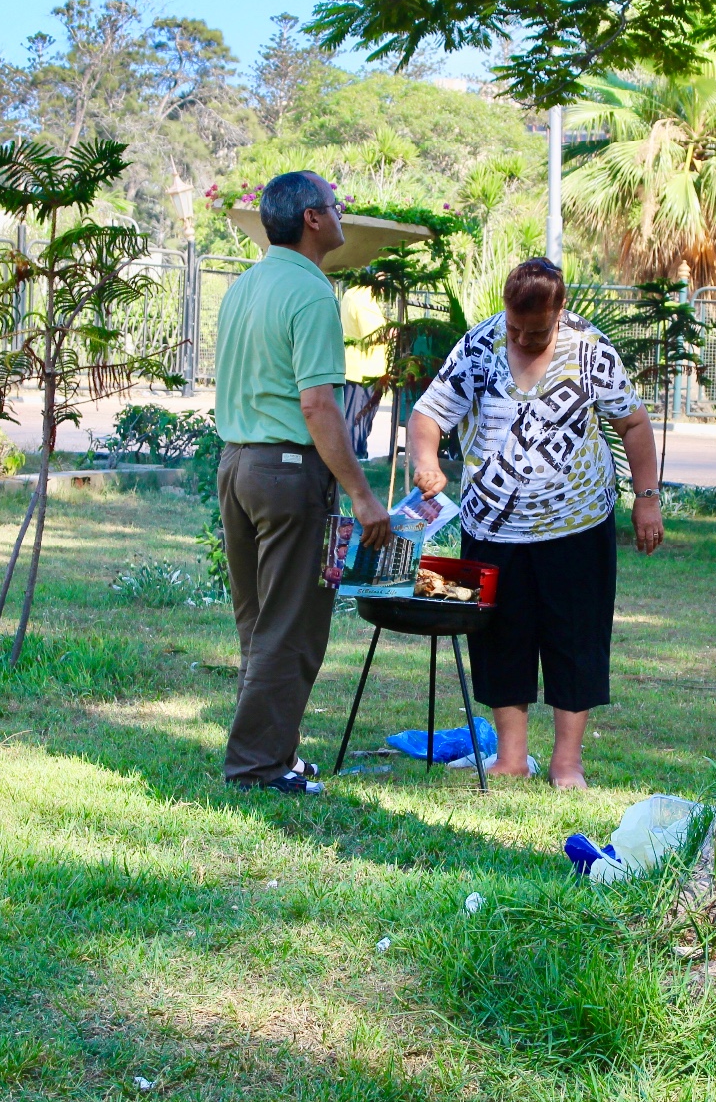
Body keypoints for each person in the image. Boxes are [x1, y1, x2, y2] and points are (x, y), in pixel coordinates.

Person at [407, 258, 664, 789]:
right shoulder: (480, 346)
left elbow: (633, 421)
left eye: (537, 330)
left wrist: (647, 498)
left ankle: (567, 763)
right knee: (501, 639)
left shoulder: (590, 351)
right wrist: (426, 460)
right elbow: (427, 415)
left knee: (578, 639)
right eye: (515, 327)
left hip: (579, 526)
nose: (523, 338)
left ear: (559, 310)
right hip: (492, 527)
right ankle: (511, 758)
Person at [214, 170, 392, 795]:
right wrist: (362, 495)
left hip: (236, 465)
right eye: (335, 206)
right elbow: (318, 405)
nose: (342, 215)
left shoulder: (245, 285)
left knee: (259, 622)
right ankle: (258, 767)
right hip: (287, 471)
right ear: (313, 219)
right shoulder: (314, 292)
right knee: (291, 625)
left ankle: (275, 751)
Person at [340, 284, 389, 460]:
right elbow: (376, 334)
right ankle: (355, 461)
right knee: (357, 423)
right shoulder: (363, 298)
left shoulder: (352, 293)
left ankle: (355, 457)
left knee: (356, 421)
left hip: (358, 369)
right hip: (364, 372)